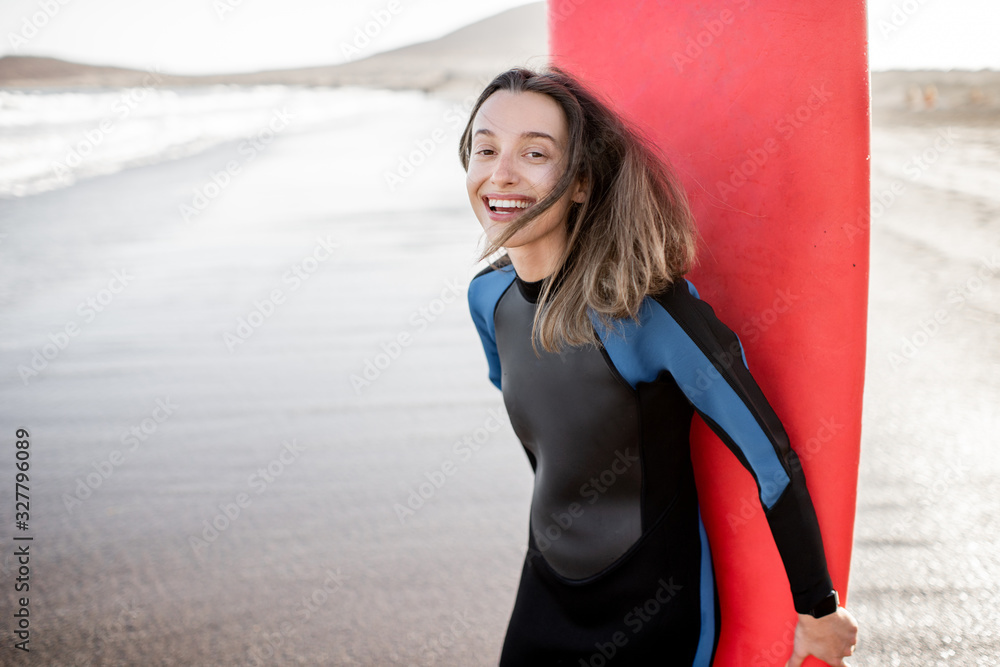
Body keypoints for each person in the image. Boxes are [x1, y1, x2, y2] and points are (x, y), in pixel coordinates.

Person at [461, 67, 859, 666]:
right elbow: (547, 446)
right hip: (545, 587)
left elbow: (770, 458)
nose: (501, 174)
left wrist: (818, 610)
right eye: (485, 149)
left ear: (581, 184)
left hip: (653, 606)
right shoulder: (486, 300)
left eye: (534, 153)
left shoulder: (647, 313)